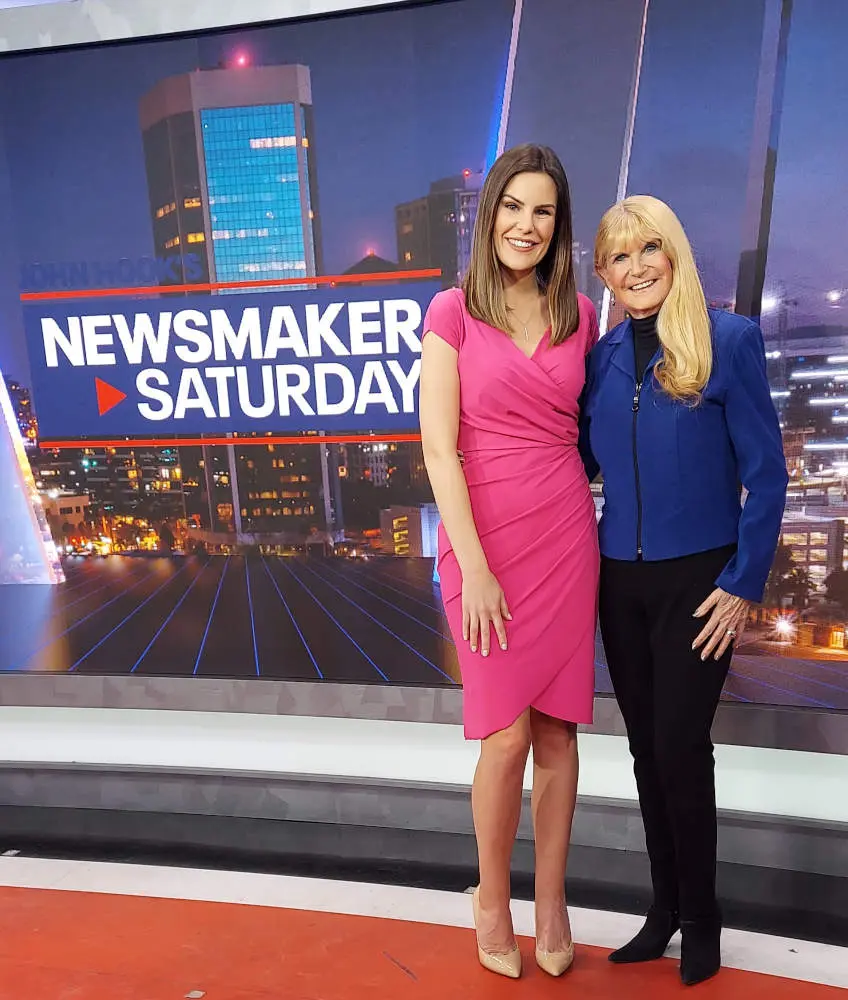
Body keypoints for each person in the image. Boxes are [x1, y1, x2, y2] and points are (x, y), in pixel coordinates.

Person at [581, 195, 787, 986]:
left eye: (648, 250)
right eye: (618, 257)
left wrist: (743, 583)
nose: (635, 268)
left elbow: (766, 479)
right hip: (618, 586)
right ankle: (663, 909)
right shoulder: (600, 358)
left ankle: (702, 918)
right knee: (642, 750)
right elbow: (574, 464)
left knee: (678, 747)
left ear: (675, 253)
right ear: (602, 272)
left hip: (700, 584)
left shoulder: (729, 339)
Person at [419, 144, 599, 979]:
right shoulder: (452, 312)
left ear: (558, 227)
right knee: (505, 736)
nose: (527, 225)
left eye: (545, 212)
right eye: (514, 207)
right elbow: (439, 452)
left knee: (559, 733)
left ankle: (553, 901)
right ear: (489, 211)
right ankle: (493, 896)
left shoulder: (580, 314)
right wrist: (475, 566)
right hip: (483, 540)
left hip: (565, 533)